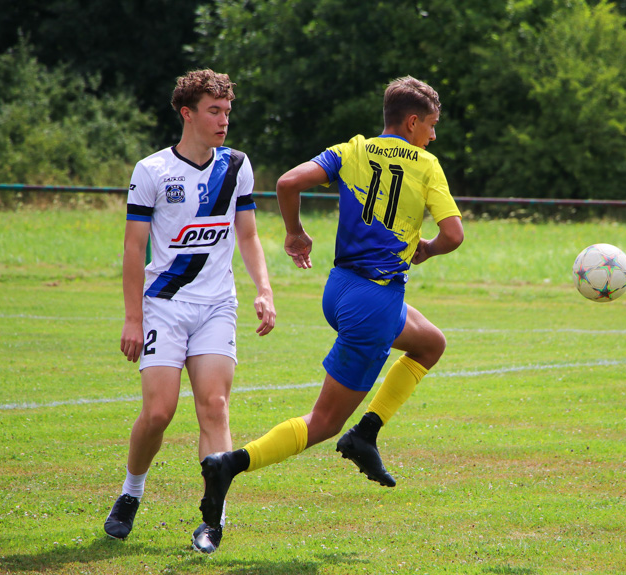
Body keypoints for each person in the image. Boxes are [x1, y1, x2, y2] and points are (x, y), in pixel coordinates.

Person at [195, 75, 464, 553]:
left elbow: (287, 182)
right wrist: (426, 249)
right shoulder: (426, 165)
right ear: (413, 121)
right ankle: (231, 463)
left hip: (339, 291)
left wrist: (295, 233)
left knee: (431, 343)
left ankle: (368, 433)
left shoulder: (352, 150)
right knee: (323, 423)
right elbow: (454, 235)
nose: (434, 136)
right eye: (432, 126)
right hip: (375, 303)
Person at [103, 69, 276, 554]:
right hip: (165, 306)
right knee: (158, 412)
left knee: (215, 407)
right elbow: (134, 250)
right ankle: (131, 493)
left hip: (218, 305)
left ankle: (212, 520)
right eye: (214, 111)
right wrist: (133, 318)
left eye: (227, 112)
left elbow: (248, 234)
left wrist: (263, 289)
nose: (223, 121)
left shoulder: (237, 165)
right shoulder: (152, 171)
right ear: (188, 113)